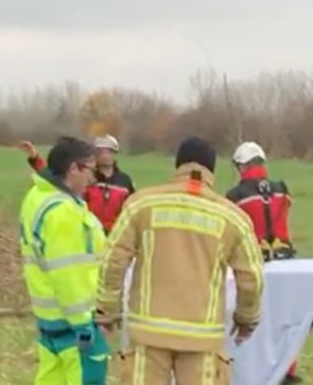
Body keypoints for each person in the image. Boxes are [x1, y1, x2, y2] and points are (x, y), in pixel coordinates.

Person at [95, 136, 264, 385]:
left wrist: (107, 311)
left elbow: (112, 260)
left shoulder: (141, 205)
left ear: (177, 166)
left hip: (147, 334)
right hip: (203, 339)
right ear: (212, 170)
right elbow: (252, 278)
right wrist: (246, 318)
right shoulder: (233, 218)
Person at [19, 136, 109, 385]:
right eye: (91, 169)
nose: (93, 178)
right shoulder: (63, 212)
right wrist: (85, 327)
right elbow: (69, 274)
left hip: (50, 323)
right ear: (74, 168)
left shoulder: (37, 197)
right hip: (75, 328)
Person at [226, 141, 301, 384]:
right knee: (286, 320)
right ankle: (288, 369)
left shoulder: (236, 195)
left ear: (241, 166)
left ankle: (256, 370)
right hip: (285, 262)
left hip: (254, 264)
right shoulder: (281, 188)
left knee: (256, 319)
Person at [20, 134, 135, 233]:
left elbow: (132, 210)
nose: (105, 155)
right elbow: (56, 178)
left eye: (109, 151)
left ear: (114, 153)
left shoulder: (124, 181)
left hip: (114, 237)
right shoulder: (83, 177)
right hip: (87, 231)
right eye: (101, 152)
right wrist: (36, 159)